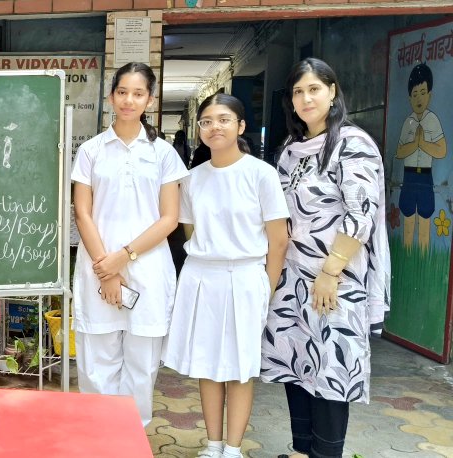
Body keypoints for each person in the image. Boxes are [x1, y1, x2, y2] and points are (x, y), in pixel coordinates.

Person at [261, 58, 390, 458]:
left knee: (332, 369)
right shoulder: (290, 149)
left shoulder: (352, 144)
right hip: (292, 277)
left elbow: (360, 213)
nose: (305, 98)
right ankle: (303, 452)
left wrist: (331, 271)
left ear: (333, 92)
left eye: (314, 89)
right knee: (297, 364)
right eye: (298, 91)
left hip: (335, 279)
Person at [162, 94, 289, 458]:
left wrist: (266, 288)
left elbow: (278, 241)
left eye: (223, 119)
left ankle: (233, 449)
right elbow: (190, 232)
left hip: (246, 277)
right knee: (207, 364)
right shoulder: (192, 178)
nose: (214, 127)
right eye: (206, 121)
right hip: (203, 277)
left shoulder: (261, 174)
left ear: (240, 126)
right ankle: (212, 444)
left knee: (239, 367)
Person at [71, 62, 188, 427]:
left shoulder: (164, 154)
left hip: (148, 270)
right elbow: (82, 213)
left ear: (149, 100)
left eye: (138, 93)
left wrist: (124, 257)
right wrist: (106, 270)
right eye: (122, 92)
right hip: (97, 270)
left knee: (141, 367)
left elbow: (169, 218)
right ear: (111, 96)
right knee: (96, 364)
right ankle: (98, 439)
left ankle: (130, 441)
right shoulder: (91, 150)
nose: (129, 100)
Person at [396, 62, 446, 249]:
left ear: (430, 95)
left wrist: (423, 144)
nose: (419, 98)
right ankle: (408, 258)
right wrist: (414, 144)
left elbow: (442, 150)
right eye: (415, 94)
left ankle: (423, 260)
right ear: (409, 98)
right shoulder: (408, 122)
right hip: (408, 177)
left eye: (423, 93)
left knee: (425, 220)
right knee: (407, 219)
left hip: (425, 176)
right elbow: (399, 152)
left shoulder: (432, 120)